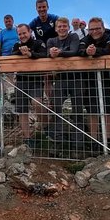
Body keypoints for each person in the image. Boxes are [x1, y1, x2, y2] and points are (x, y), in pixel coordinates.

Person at [46, 17, 84, 152]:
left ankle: (77, 144)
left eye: (64, 26)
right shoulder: (51, 40)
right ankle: (58, 141)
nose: (62, 28)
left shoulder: (74, 36)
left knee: (78, 111)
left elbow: (73, 51)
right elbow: (48, 54)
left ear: (68, 27)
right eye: (59, 26)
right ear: (56, 29)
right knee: (56, 109)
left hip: (76, 78)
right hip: (60, 78)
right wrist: (52, 53)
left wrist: (59, 53)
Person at [77, 18, 110, 150]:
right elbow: (80, 50)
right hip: (90, 80)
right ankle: (94, 140)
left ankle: (108, 140)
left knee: (109, 109)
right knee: (92, 110)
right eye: (92, 29)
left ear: (103, 28)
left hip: (107, 78)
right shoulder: (85, 39)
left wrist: (95, 52)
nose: (95, 31)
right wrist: (87, 52)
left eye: (97, 28)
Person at [11, 24, 47, 143]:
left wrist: (31, 54)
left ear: (30, 32)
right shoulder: (17, 45)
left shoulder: (38, 43)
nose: (22, 36)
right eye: (20, 34)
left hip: (36, 79)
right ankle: (27, 138)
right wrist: (21, 53)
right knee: (22, 110)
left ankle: (45, 126)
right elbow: (11, 56)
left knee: (37, 103)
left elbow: (44, 54)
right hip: (21, 80)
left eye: (24, 33)